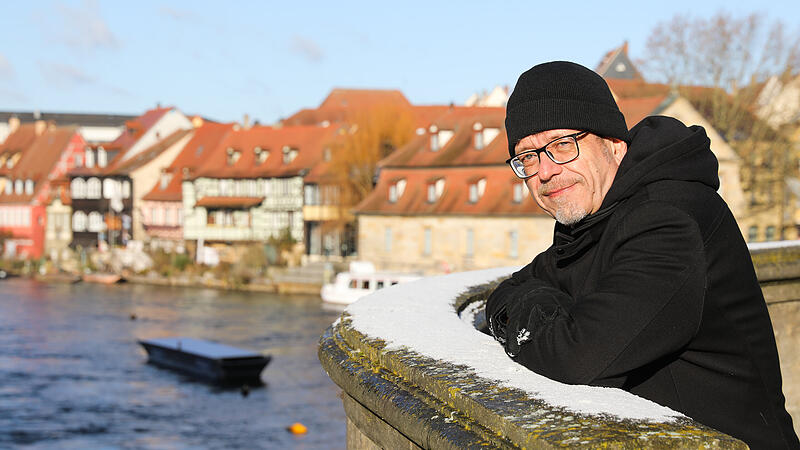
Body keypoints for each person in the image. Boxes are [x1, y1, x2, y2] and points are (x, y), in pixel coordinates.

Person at [486, 61, 799, 449]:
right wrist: (533, 301)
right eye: (527, 157)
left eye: (562, 145)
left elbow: (578, 356)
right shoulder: (595, 219)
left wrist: (532, 305)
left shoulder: (666, 219)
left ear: (614, 144)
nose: (545, 171)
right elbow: (508, 290)